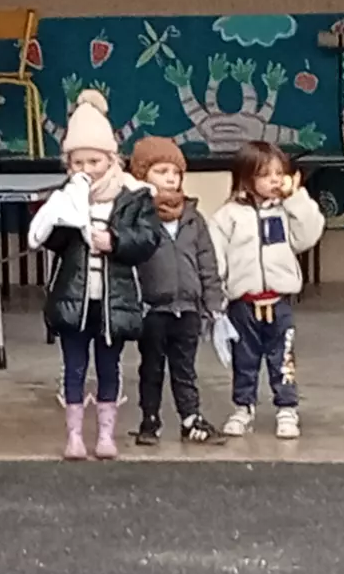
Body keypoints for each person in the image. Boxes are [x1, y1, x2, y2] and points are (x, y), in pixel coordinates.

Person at [29, 90, 163, 460]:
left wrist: (115, 240)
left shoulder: (134, 196)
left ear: (111, 158)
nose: (86, 168)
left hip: (114, 300)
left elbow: (149, 239)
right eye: (77, 162)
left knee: (109, 365)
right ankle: (74, 436)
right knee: (72, 365)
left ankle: (106, 434)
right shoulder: (66, 195)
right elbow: (48, 240)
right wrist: (62, 219)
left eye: (94, 160)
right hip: (74, 299)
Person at [207, 141, 326, 440]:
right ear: (246, 178)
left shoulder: (287, 211)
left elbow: (309, 234)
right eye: (266, 174)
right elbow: (216, 256)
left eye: (279, 173)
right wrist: (217, 295)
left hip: (279, 301)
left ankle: (287, 409)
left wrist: (297, 198)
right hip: (243, 304)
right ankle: (243, 407)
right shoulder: (228, 216)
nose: (275, 180)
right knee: (244, 359)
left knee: (282, 357)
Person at [129, 136, 224, 446]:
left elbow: (206, 262)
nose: (170, 178)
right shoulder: (137, 216)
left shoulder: (193, 218)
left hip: (188, 309)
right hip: (153, 310)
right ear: (142, 176)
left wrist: (213, 302)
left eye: (175, 172)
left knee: (185, 369)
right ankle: (149, 419)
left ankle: (190, 418)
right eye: (161, 171)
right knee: (151, 369)